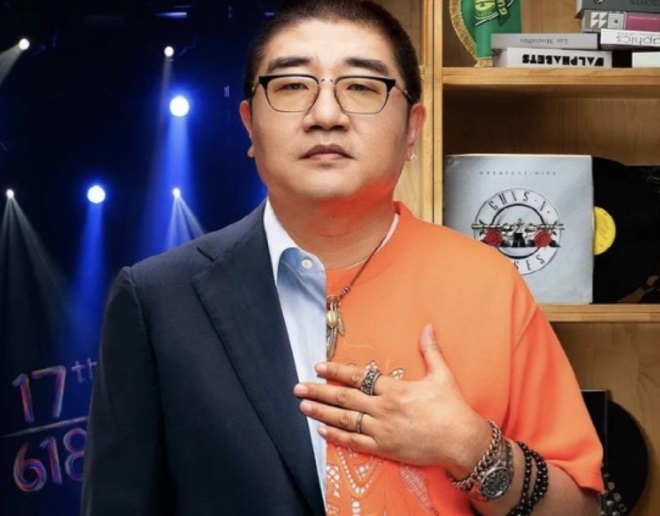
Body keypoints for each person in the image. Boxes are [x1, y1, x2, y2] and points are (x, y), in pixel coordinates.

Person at [81, 1, 604, 514]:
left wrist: (470, 447)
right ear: (250, 125)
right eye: (292, 86)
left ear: (412, 129)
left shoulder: (488, 283)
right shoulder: (158, 301)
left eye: (361, 87)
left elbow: (579, 507)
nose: (326, 115)